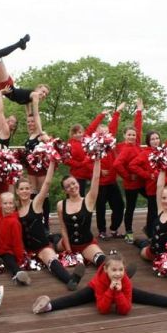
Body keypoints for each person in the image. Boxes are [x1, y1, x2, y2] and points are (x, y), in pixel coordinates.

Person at [32, 253, 167, 315]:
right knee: (76, 298)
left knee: (147, 296)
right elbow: (103, 309)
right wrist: (110, 291)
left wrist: (118, 292)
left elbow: (125, 310)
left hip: (119, 287)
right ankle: (48, 306)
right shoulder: (100, 280)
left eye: (120, 270)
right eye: (114, 270)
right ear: (105, 270)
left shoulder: (124, 281)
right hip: (99, 287)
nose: (118, 273)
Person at [17, 158, 86, 291]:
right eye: (21, 189)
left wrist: (52, 163)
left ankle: (71, 280)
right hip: (26, 249)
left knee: (51, 260)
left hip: (41, 246)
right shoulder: (16, 209)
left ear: (31, 190)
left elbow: (47, 183)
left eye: (27, 188)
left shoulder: (36, 203)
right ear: (17, 192)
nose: (24, 191)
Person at [0, 166, 31, 285]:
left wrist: (19, 259)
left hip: (6, 251)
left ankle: (19, 275)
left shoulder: (14, 222)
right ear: (0, 204)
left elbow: (17, 242)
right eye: (5, 203)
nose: (8, 206)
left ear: (14, 204)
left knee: (10, 262)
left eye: (10, 203)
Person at [55, 158, 107, 268]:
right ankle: (54, 238)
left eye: (73, 183)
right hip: (68, 243)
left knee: (103, 262)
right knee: (53, 245)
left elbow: (96, 178)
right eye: (68, 186)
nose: (72, 187)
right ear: (64, 190)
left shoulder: (88, 200)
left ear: (78, 183)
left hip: (86, 245)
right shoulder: (61, 205)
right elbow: (63, 228)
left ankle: (124, 276)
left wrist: (97, 159)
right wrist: (68, 250)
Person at [91, 103, 126, 241]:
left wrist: (117, 112)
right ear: (97, 133)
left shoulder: (110, 144)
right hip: (100, 183)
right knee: (100, 208)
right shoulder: (93, 145)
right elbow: (87, 162)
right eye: (102, 131)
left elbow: (113, 127)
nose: (105, 133)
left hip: (112, 181)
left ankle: (113, 229)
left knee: (119, 205)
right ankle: (101, 231)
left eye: (106, 131)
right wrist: (99, 172)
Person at [113, 98, 145, 243]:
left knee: (154, 201)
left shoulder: (137, 145)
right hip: (131, 184)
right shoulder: (121, 147)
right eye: (129, 134)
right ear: (124, 135)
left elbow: (138, 126)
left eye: (133, 135)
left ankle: (151, 227)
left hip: (142, 181)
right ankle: (129, 232)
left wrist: (139, 111)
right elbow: (117, 164)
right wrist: (127, 176)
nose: (131, 136)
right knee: (130, 208)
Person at [22, 95, 52, 230]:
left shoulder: (41, 134)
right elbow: (28, 116)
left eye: (32, 122)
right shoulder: (30, 134)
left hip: (41, 169)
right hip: (30, 168)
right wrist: (25, 102)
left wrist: (35, 103)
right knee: (33, 193)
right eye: (28, 122)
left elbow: (51, 147)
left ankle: (45, 223)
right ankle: (35, 219)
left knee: (43, 194)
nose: (30, 123)